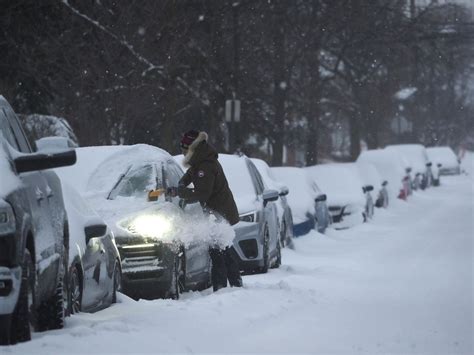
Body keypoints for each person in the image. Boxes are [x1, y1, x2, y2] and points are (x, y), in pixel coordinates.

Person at [168, 130, 243, 291]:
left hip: (218, 215)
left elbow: (202, 194)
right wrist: (182, 183)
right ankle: (235, 284)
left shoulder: (205, 166)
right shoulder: (201, 161)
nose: (182, 152)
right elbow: (190, 174)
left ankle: (221, 288)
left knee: (218, 253)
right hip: (219, 212)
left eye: (184, 148)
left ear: (191, 148)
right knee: (225, 250)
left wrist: (179, 192)